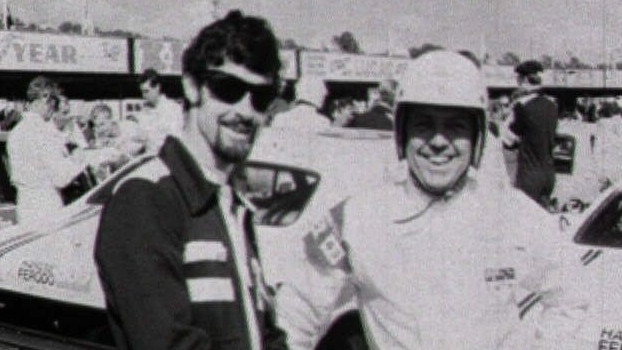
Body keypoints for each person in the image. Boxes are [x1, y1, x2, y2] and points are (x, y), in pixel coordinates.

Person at [276, 50, 587, 350]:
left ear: (477, 137)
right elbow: (293, 315)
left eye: (456, 126)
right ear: (402, 133)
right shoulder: (357, 219)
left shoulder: (511, 213)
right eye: (424, 125)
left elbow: (572, 296)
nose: (439, 141)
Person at [95, 10, 287, 350]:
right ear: (192, 86)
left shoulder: (229, 203)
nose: (245, 111)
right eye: (229, 89)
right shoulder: (146, 198)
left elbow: (262, 335)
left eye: (260, 98)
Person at [7, 76, 88, 225]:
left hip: (24, 204)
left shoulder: (16, 132)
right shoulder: (43, 132)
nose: (55, 108)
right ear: (46, 99)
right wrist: (79, 158)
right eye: (55, 102)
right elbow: (61, 177)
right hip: (46, 205)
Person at [509, 59, 558, 208]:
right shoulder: (552, 105)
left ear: (524, 80)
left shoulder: (521, 106)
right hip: (549, 174)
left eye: (518, 79)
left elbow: (509, 139)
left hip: (529, 175)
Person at [136, 68, 184, 152]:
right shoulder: (143, 112)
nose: (144, 96)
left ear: (157, 87)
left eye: (146, 91)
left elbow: (176, 141)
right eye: (142, 92)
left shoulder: (173, 109)